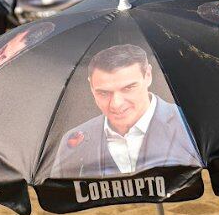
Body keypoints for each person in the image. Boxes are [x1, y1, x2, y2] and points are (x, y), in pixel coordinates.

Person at [50, 43, 201, 178]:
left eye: (128, 88)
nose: (116, 104)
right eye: (104, 93)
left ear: (148, 75)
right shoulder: (74, 142)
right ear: (91, 87)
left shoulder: (192, 126)